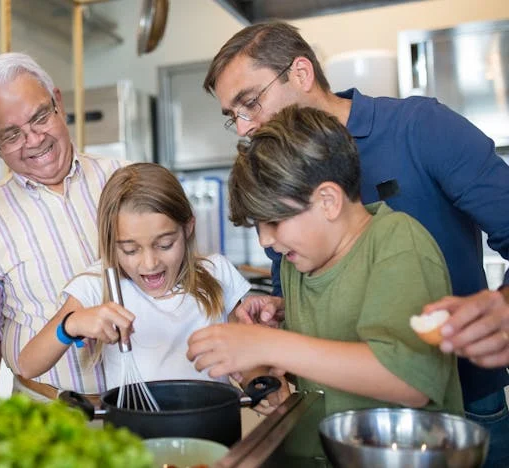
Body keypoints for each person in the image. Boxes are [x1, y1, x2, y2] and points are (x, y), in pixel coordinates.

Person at [203, 21, 509, 466]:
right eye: (235, 117)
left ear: (301, 73)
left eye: (251, 103)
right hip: (345, 420)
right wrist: (280, 315)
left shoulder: (421, 129)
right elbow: (306, 287)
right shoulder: (278, 178)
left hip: (463, 407)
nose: (246, 128)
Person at [187, 105, 463, 456]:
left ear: (328, 201)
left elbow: (408, 379)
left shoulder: (397, 242)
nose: (265, 240)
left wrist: (265, 344)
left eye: (274, 221)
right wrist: (269, 373)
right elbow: (323, 345)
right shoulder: (299, 263)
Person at [0, 53, 126, 413]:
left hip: (144, 403)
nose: (34, 139)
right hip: (49, 413)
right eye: (12, 135)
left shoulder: (126, 180)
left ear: (58, 102)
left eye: (39, 117)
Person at [17, 163, 253, 389]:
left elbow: (249, 360)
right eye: (130, 250)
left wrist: (256, 380)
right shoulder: (97, 287)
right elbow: (27, 366)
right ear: (111, 242)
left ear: (188, 228)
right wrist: (70, 325)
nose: (149, 263)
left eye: (165, 244)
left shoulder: (217, 273)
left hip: (214, 426)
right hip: (130, 430)